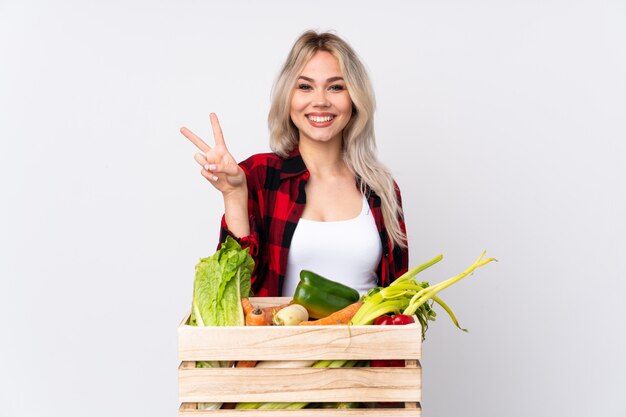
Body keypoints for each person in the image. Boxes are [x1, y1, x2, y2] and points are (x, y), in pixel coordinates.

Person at [181, 30, 408, 297]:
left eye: (336, 86)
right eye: (305, 86)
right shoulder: (259, 176)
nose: (321, 101)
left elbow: (399, 299)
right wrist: (233, 195)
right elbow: (233, 294)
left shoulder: (380, 188)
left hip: (366, 339)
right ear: (288, 97)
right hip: (283, 338)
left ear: (354, 99)